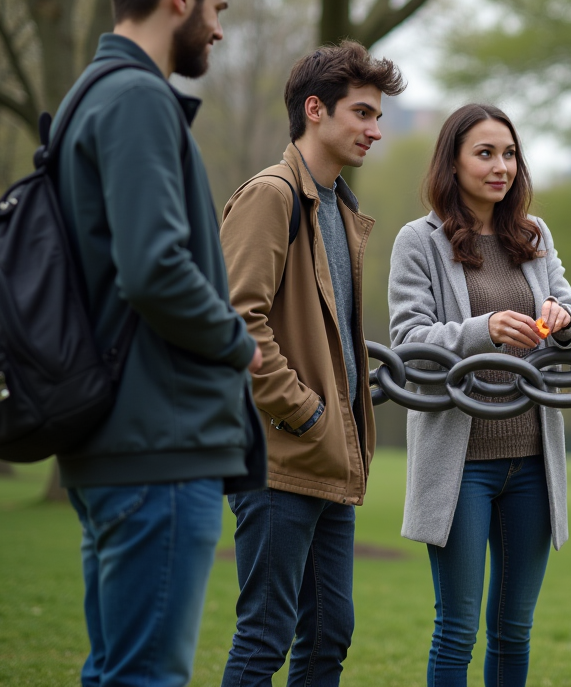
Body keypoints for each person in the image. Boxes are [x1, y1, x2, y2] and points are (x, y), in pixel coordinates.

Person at [53, 0, 262, 687]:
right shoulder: (137, 99)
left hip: (114, 444)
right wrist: (237, 341)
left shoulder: (87, 95)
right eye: (217, 8)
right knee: (144, 678)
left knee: (113, 671)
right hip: (157, 444)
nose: (218, 29)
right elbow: (155, 271)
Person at [218, 42, 406, 684]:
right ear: (316, 110)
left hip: (330, 460)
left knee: (328, 638)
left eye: (378, 116)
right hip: (279, 458)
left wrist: (332, 428)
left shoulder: (338, 208)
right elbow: (237, 322)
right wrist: (304, 413)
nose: (375, 130)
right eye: (363, 113)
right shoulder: (271, 196)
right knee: (264, 639)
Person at [388, 104, 571, 687]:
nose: (501, 166)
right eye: (485, 153)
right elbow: (408, 342)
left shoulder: (533, 234)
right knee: (456, 629)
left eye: (509, 154)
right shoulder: (417, 241)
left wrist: (565, 320)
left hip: (531, 461)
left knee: (514, 630)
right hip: (461, 466)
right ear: (452, 161)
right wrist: (486, 329)